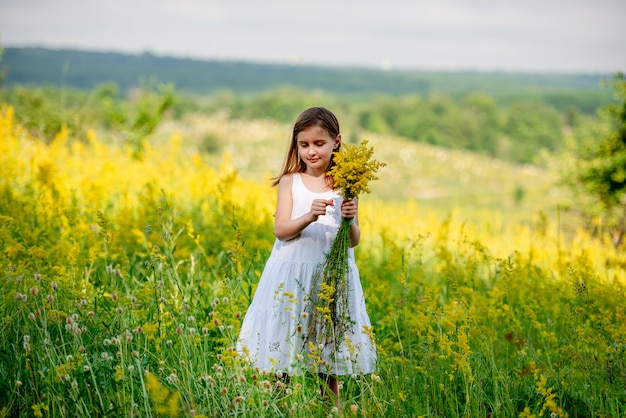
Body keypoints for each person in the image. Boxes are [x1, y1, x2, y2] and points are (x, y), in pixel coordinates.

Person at [237, 106, 376, 400]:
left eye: (319, 143)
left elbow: (353, 241)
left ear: (336, 141)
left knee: (328, 352)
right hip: (291, 274)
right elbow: (281, 229)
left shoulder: (347, 185)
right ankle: (280, 405)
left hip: (330, 278)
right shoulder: (290, 181)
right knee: (284, 347)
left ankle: (330, 408)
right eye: (304, 145)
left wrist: (350, 219)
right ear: (296, 145)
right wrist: (309, 217)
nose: (311, 151)